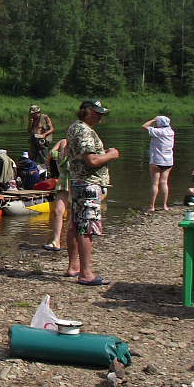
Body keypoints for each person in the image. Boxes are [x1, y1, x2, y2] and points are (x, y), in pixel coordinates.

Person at [64, 100, 119, 286]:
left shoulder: (73, 128)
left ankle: (73, 266)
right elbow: (92, 160)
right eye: (97, 113)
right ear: (87, 111)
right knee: (86, 226)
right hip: (88, 184)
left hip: (78, 182)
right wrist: (111, 154)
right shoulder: (84, 130)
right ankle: (85, 273)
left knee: (75, 223)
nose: (101, 117)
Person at [42, 138, 69, 252]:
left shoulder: (83, 141)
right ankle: (56, 241)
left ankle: (73, 241)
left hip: (77, 179)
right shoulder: (63, 141)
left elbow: (51, 153)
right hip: (64, 177)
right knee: (58, 211)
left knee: (73, 213)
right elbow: (51, 152)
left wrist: (49, 162)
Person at [142, 116, 174, 211]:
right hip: (168, 161)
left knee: (155, 183)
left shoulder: (158, 132)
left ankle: (151, 206)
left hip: (156, 160)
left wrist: (153, 120)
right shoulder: (171, 132)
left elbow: (143, 127)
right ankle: (164, 206)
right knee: (164, 182)